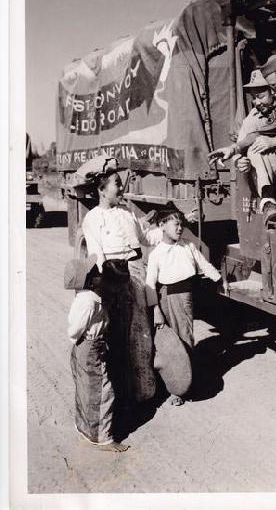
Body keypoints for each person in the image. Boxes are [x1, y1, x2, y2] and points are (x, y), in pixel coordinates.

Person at [74, 155, 163, 409]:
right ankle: (121, 395)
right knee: (118, 336)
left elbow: (147, 238)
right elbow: (98, 256)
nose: (121, 187)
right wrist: (107, 289)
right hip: (114, 278)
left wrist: (172, 227)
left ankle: (144, 392)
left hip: (136, 274)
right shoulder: (93, 218)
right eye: (116, 183)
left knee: (141, 331)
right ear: (102, 190)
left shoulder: (127, 213)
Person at [209, 52, 276, 226]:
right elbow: (256, 134)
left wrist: (275, 141)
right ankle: (268, 202)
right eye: (254, 97)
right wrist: (233, 149)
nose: (256, 102)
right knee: (257, 147)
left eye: (262, 95)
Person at [145, 208, 222, 405]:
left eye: (181, 224)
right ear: (162, 226)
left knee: (186, 338)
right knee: (170, 344)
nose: (180, 228)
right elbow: (150, 284)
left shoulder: (188, 246)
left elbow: (204, 264)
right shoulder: (156, 254)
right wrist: (156, 310)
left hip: (184, 296)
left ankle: (186, 385)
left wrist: (219, 279)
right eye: (175, 224)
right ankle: (174, 389)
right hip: (165, 297)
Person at [66, 255, 129, 452]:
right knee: (103, 391)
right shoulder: (89, 302)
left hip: (87, 347)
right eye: (95, 273)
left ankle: (86, 429)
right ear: (89, 281)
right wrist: (90, 340)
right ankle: (102, 439)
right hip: (90, 347)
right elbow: (74, 329)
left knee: (87, 389)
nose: (100, 274)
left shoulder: (88, 298)